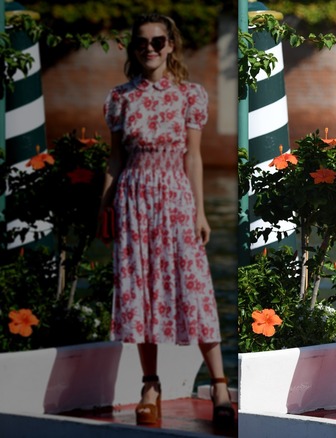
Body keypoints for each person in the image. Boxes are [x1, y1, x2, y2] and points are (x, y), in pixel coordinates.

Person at [99, 13, 234, 428]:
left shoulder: (189, 95)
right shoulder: (120, 98)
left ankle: (220, 385)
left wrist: (200, 211)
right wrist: (105, 207)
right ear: (134, 48)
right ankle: (150, 386)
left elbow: (194, 157)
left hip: (175, 197)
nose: (150, 48)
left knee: (195, 288)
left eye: (158, 41)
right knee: (140, 291)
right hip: (133, 200)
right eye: (142, 42)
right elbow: (115, 159)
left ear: (170, 45)